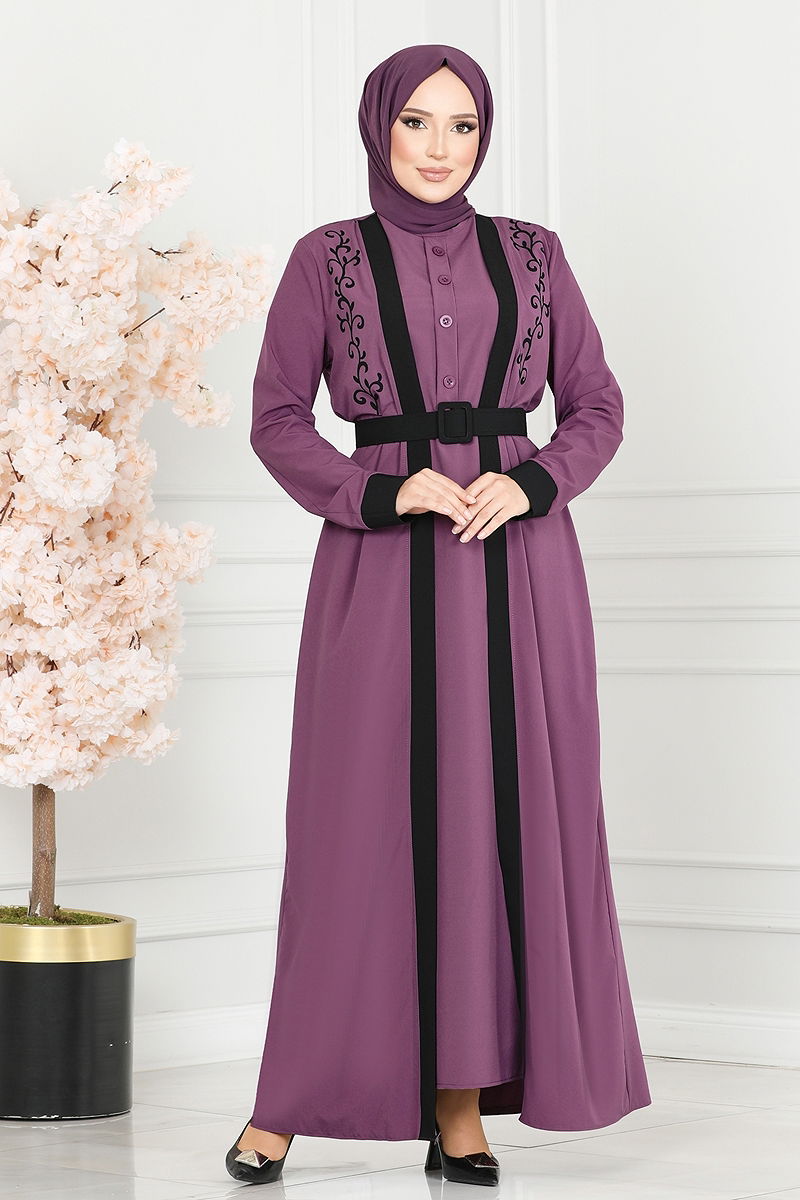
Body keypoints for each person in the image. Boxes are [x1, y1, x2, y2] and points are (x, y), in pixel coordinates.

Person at [225, 42, 652, 1188]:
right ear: (379, 128)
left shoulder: (534, 254)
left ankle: (459, 1109)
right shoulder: (326, 260)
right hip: (379, 574)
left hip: (519, 573)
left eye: (461, 126)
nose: (437, 146)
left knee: (496, 823)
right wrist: (380, 487)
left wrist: (530, 481)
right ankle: (283, 1103)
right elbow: (275, 417)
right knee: (352, 830)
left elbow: (596, 405)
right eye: (415, 121)